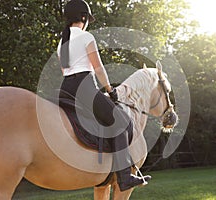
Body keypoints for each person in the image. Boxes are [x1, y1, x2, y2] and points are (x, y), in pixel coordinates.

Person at [57, 0, 151, 192]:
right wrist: (110, 90)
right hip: (85, 88)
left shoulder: (62, 41)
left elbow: (64, 69)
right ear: (83, 17)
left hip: (66, 89)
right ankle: (124, 177)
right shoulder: (86, 37)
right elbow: (98, 68)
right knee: (122, 120)